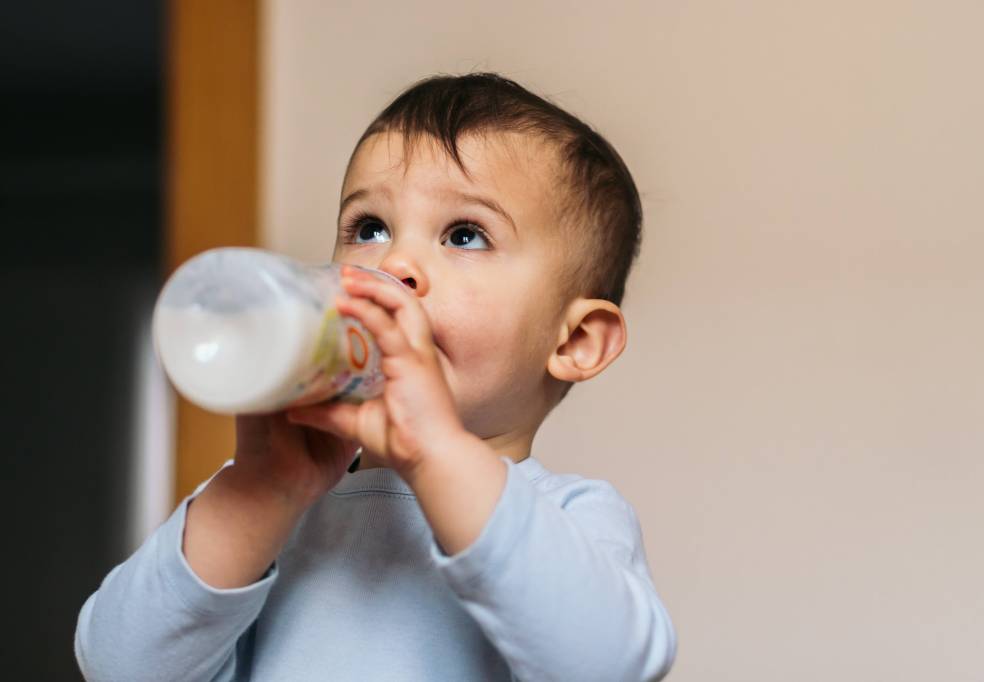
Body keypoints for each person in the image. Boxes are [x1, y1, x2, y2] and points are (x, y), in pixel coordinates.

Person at [75, 72, 677, 681]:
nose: (393, 264)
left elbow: (611, 666)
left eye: (465, 235)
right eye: (369, 229)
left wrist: (438, 453)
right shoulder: (272, 506)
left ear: (575, 341)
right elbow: (119, 667)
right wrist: (260, 492)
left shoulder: (573, 517)